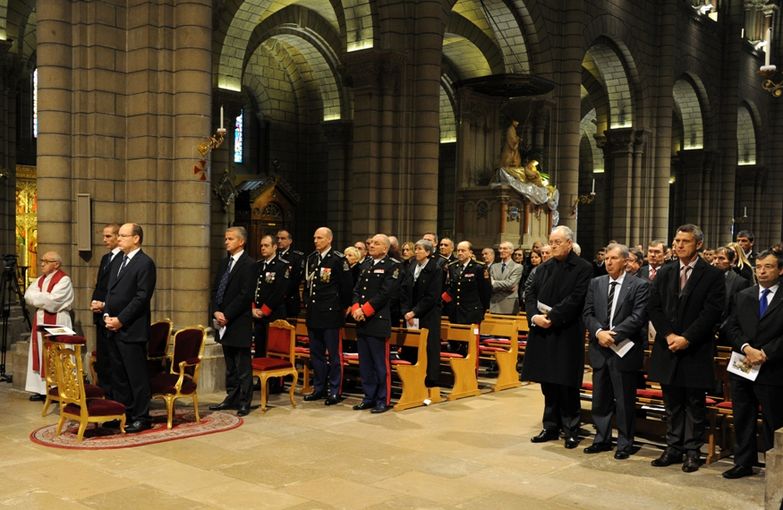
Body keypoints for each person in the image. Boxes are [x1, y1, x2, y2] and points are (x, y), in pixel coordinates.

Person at [647, 224, 724, 472]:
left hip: (695, 348)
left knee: (694, 403)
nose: (679, 245)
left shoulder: (711, 275)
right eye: (677, 240)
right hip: (668, 346)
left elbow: (711, 312)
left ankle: (692, 451)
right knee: (672, 402)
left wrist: (686, 338)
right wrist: (669, 334)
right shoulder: (666, 272)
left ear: (698, 244)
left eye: (685, 241)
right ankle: (673, 448)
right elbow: (654, 307)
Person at [522, 226, 592, 449]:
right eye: (551, 242)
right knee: (548, 383)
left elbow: (577, 298)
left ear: (569, 243)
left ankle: (571, 429)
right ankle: (550, 426)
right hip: (542, 331)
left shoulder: (583, 268)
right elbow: (530, 294)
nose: (552, 246)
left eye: (557, 242)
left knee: (567, 383)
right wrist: (534, 316)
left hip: (566, 332)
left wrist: (552, 316)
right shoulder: (544, 268)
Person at [582, 243, 649, 459]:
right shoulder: (596, 283)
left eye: (613, 258)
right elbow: (588, 312)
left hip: (624, 349)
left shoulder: (638, 285)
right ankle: (601, 438)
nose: (608, 262)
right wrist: (599, 332)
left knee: (623, 399)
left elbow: (638, 317)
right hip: (600, 348)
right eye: (606, 258)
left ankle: (625, 442)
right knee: (600, 397)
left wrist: (613, 335)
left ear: (625, 261)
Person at [722, 250, 783, 479]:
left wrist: (765, 353)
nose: (762, 271)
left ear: (780, 270)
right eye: (758, 266)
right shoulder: (745, 294)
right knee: (743, 416)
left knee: (772, 419)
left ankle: (774, 466)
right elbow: (731, 326)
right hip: (743, 364)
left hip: (772, 368)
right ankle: (743, 462)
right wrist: (747, 348)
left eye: (768, 267)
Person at [103, 223, 156, 432]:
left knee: (136, 376)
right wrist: (107, 314)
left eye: (124, 236)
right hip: (113, 327)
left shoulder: (145, 263)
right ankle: (121, 413)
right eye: (119, 236)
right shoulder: (117, 261)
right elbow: (110, 292)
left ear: (136, 238)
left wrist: (121, 320)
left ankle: (141, 416)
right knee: (119, 376)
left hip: (131, 329)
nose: (119, 239)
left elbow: (141, 297)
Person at [209, 226, 257, 417]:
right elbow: (215, 290)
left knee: (242, 365)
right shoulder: (224, 263)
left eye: (230, 239)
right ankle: (231, 397)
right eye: (226, 238)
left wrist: (226, 314)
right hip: (222, 321)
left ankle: (245, 401)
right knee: (230, 365)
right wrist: (216, 311)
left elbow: (245, 295)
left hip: (238, 321)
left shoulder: (249, 264)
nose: (226, 242)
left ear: (241, 242)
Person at [303, 227, 354, 405]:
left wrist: (342, 308)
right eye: (314, 237)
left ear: (329, 239)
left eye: (320, 238)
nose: (316, 241)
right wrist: (307, 302)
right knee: (316, 354)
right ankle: (319, 388)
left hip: (331, 314)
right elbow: (308, 284)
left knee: (333, 355)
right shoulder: (311, 258)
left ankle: (334, 390)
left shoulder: (338, 260)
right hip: (314, 314)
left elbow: (347, 287)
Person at [351, 234, 401, 413]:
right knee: (365, 363)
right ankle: (368, 397)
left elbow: (385, 293)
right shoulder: (365, 265)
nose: (371, 245)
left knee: (380, 364)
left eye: (376, 243)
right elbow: (356, 289)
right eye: (370, 243)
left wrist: (364, 311)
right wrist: (356, 308)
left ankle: (383, 399)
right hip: (362, 321)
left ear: (385, 248)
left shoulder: (392, 266)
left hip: (377, 320)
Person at [24, 251, 74, 401]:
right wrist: (42, 298)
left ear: (56, 264)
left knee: (58, 353)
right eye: (42, 260)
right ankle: (42, 389)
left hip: (58, 320)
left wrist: (38, 297)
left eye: (46, 261)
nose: (42, 263)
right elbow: (27, 296)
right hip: (40, 319)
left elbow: (53, 302)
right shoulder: (40, 279)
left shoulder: (64, 280)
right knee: (40, 352)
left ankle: (60, 389)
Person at [400, 239, 442, 388]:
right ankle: (411, 375)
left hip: (428, 314)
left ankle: (430, 378)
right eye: (416, 248)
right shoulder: (412, 266)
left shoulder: (435, 269)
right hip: (411, 314)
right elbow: (404, 290)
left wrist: (415, 311)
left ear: (428, 252)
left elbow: (432, 296)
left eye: (419, 249)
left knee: (429, 346)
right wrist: (406, 311)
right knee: (411, 344)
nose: (416, 251)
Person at [90, 223, 122, 394]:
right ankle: (104, 393)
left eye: (108, 236)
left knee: (112, 360)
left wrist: (105, 305)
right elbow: (100, 285)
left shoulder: (122, 259)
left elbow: (116, 289)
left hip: (113, 316)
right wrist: (94, 301)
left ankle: (113, 396)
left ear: (118, 237)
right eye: (104, 236)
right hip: (100, 314)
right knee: (103, 360)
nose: (104, 240)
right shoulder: (105, 258)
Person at [252, 235, 290, 358]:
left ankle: (272, 378)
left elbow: (279, 291)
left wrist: (264, 310)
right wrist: (253, 308)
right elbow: (253, 289)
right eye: (261, 245)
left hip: (273, 314)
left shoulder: (282, 265)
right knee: (259, 349)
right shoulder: (257, 265)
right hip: (257, 314)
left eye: (266, 245)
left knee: (273, 351)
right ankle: (259, 376)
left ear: (274, 247)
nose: (263, 248)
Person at [441, 241, 491, 325]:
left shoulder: (478, 267)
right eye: (458, 251)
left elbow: (485, 291)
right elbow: (452, 288)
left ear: (470, 252)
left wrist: (482, 309)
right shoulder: (452, 266)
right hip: (455, 312)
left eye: (463, 251)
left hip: (472, 311)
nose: (460, 253)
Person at [713, 246, 751, 338]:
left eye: (721, 258)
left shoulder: (740, 282)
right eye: (715, 258)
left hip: (726, 332)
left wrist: (721, 329)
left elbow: (737, 311)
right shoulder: (706, 278)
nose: (716, 262)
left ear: (731, 261)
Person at [489, 241, 523, 315]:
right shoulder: (494, 266)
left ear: (511, 251)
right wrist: (506, 286)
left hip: (509, 306)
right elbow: (489, 285)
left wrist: (494, 282)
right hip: (495, 304)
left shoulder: (517, 267)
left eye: (505, 249)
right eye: (500, 248)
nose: (501, 251)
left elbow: (511, 284)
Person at [276, 230, 305, 318]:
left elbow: (295, 280)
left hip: (289, 300)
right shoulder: (273, 255)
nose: (279, 241)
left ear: (290, 241)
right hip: (274, 302)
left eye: (283, 238)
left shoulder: (297, 257)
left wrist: (281, 293)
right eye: (278, 238)